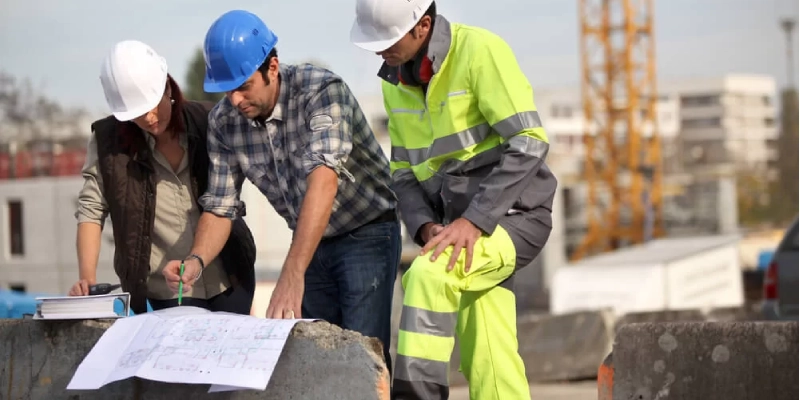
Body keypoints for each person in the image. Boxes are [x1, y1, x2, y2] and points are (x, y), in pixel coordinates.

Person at [161, 10, 401, 370]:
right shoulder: (225, 123)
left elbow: (323, 179)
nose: (236, 100)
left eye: (243, 87)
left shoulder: (321, 92)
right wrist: (196, 260)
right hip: (308, 243)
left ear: (272, 67)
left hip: (366, 233)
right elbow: (220, 206)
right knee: (319, 360)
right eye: (227, 91)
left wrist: (293, 270)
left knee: (362, 358)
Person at [351, 1, 558, 399]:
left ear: (423, 26)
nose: (380, 51)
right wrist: (424, 225)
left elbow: (530, 142)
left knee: (429, 275)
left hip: (514, 217)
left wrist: (475, 220)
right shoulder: (393, 83)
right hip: (456, 227)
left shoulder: (479, 51)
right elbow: (403, 171)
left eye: (388, 40)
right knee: (488, 347)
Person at [70, 40, 257, 316]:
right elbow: (91, 209)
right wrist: (87, 277)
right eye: (137, 113)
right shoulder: (108, 143)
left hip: (229, 274)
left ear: (168, 87)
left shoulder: (209, 121)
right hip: (168, 289)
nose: (150, 117)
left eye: (153, 104)